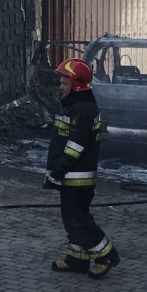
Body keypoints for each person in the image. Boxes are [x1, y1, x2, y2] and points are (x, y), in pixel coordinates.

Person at [46, 59, 120, 278]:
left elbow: (75, 146)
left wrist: (58, 171)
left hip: (77, 178)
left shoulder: (83, 110)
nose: (60, 86)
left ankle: (106, 254)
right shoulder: (75, 106)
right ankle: (77, 260)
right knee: (72, 217)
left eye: (64, 82)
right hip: (71, 176)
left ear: (77, 84)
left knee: (77, 219)